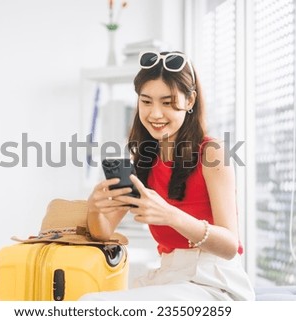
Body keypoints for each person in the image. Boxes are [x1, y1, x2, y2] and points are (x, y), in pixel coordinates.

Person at [81, 51, 255, 301]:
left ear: (190, 100)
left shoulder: (211, 153)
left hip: (214, 282)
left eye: (167, 101)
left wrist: (171, 215)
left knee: (92, 304)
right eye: (146, 101)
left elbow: (229, 246)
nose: (155, 114)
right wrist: (95, 208)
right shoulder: (144, 160)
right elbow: (104, 232)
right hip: (170, 277)